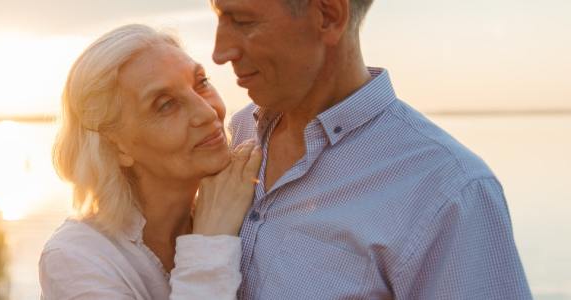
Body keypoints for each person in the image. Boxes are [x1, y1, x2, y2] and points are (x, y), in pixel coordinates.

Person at [210, 0, 532, 298]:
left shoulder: (450, 190)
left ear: (329, 15)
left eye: (242, 21)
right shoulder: (241, 130)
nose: (219, 52)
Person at [39, 24, 262, 299]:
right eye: (166, 104)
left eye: (201, 83)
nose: (207, 112)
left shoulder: (244, 202)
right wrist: (210, 242)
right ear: (115, 145)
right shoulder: (77, 257)